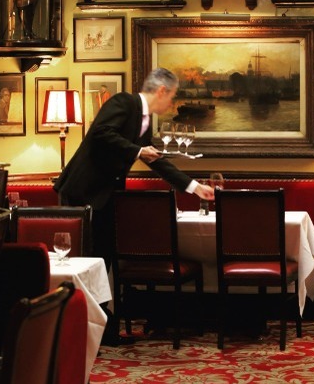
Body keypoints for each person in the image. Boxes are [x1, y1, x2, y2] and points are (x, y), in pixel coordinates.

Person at [54, 67, 214, 345]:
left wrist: (192, 186)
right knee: (91, 264)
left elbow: (156, 161)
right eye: (172, 96)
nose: (171, 104)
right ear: (161, 90)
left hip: (104, 196)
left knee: (105, 262)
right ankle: (83, 334)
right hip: (83, 193)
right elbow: (101, 133)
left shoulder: (144, 121)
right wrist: (138, 150)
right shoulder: (123, 102)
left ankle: (105, 332)